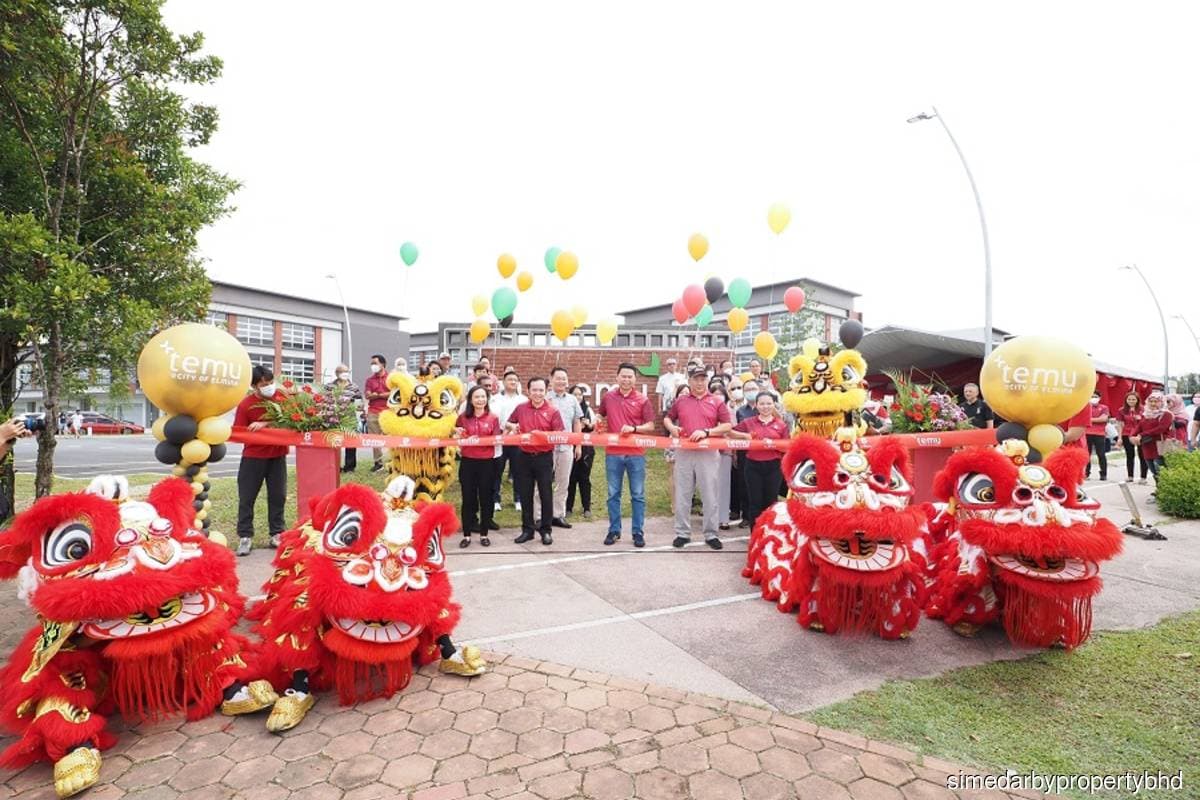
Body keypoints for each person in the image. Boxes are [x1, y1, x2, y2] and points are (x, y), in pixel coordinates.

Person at [664, 366, 732, 550]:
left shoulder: (716, 401)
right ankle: (682, 533)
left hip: (708, 452)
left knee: (710, 493)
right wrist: (672, 428)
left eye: (703, 379)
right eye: (696, 379)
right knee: (683, 493)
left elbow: (727, 425)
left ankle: (711, 534)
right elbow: (668, 418)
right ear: (690, 381)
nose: (700, 382)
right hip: (684, 451)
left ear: (707, 381)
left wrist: (707, 432)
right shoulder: (681, 401)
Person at [597, 362, 656, 547]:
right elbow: (601, 415)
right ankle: (614, 530)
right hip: (613, 453)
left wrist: (634, 428)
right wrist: (597, 422)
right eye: (623, 376)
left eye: (630, 376)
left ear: (635, 379)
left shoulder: (642, 400)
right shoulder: (608, 397)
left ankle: (638, 532)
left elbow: (651, 426)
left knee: (637, 495)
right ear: (617, 377)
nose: (626, 379)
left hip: (636, 454)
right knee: (613, 494)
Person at [233, 365, 289, 556]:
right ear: (255, 387)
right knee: (247, 498)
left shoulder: (282, 397)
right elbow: (239, 431)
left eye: (271, 382)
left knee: (278, 496)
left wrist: (265, 424)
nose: (269, 387)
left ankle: (277, 534)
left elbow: (291, 421)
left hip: (277, 456)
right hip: (253, 458)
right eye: (264, 384)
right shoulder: (246, 404)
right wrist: (253, 429)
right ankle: (245, 536)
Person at [506, 377, 563, 545]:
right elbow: (509, 422)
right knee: (525, 494)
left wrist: (544, 437)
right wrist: (512, 427)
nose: (537, 393)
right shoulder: (521, 408)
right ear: (528, 391)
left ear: (546, 391)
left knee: (546, 494)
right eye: (534, 390)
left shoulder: (553, 411)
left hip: (544, 458)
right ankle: (527, 530)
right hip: (523, 456)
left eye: (541, 390)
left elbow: (559, 434)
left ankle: (546, 530)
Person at [728, 391, 789, 528]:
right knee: (754, 502)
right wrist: (744, 436)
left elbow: (786, 447)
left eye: (769, 403)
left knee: (771, 502)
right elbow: (730, 432)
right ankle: (755, 535)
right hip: (753, 466)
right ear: (756, 405)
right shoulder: (748, 423)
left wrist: (772, 443)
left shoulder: (781, 425)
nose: (765, 406)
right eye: (762, 403)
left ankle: (770, 533)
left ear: (774, 405)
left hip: (774, 467)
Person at [455, 384, 501, 548]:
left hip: (487, 464)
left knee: (486, 499)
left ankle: (484, 534)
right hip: (468, 463)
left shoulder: (493, 418)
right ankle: (466, 535)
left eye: (483, 397)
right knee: (468, 499)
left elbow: (497, 439)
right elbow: (454, 435)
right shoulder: (462, 417)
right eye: (477, 397)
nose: (480, 400)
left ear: (487, 399)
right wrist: (456, 433)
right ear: (471, 400)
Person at [545, 366, 583, 529]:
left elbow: (577, 422)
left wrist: (578, 445)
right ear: (551, 379)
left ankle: (557, 515)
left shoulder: (572, 400)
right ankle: (539, 516)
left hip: (566, 447)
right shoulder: (545, 398)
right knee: (543, 482)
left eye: (564, 378)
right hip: (547, 448)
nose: (561, 381)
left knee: (563, 482)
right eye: (558, 378)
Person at [490, 370, 527, 513]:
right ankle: (495, 500)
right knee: (497, 471)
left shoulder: (523, 400)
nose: (512, 382)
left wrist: (515, 428)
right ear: (503, 382)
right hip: (500, 438)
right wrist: (506, 427)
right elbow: (494, 418)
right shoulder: (495, 399)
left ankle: (518, 499)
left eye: (515, 380)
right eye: (509, 379)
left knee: (518, 471)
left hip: (517, 439)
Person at [324, 364, 363, 473]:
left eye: (346, 371)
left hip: (349, 418)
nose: (345, 374)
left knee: (350, 442)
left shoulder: (354, 387)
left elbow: (359, 403)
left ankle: (349, 467)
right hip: (333, 418)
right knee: (333, 441)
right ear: (336, 373)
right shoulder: (329, 386)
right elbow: (324, 400)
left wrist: (359, 417)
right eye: (342, 371)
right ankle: (333, 465)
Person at [1130, 392, 1174, 486]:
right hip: (1147, 445)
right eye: (1151, 401)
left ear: (1162, 402)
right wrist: (1132, 436)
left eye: (1156, 401)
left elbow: (1161, 429)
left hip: (1160, 446)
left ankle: (1164, 491)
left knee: (1161, 471)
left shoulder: (1166, 414)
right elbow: (1139, 426)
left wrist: (1141, 434)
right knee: (1153, 471)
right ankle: (1159, 491)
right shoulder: (1146, 414)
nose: (1153, 404)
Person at [566, 385, 596, 521]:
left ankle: (587, 508)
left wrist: (588, 425)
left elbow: (595, 427)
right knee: (570, 479)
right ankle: (568, 508)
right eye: (575, 394)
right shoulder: (567, 408)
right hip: (569, 447)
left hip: (586, 449)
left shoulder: (588, 410)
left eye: (580, 394)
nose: (578, 397)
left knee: (584, 479)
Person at [709, 383, 735, 531]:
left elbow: (733, 430)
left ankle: (723, 518)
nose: (718, 396)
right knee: (710, 486)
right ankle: (711, 517)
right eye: (715, 393)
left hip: (725, 452)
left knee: (724, 486)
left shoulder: (730, 411)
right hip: (708, 451)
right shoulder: (706, 409)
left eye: (721, 394)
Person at [666, 384, 691, 517]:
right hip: (674, 442)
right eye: (682, 392)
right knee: (674, 474)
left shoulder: (694, 405)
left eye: (687, 392)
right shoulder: (674, 406)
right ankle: (674, 504)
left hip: (691, 443)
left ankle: (687, 504)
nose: (684, 394)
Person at [363, 354, 390, 472]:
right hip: (373, 412)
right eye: (371, 364)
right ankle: (378, 463)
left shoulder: (391, 378)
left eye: (375, 363)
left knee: (390, 439)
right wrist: (380, 395)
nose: (373, 366)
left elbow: (394, 393)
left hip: (388, 412)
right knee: (375, 439)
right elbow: (367, 395)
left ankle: (392, 463)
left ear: (383, 364)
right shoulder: (370, 380)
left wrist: (378, 395)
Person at [1116, 391, 1149, 483]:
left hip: (1140, 434)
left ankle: (1143, 477)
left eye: (1133, 399)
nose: (1131, 401)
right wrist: (1119, 437)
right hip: (1127, 434)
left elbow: (1147, 422)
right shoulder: (1121, 410)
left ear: (1137, 400)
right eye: (1129, 399)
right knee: (1130, 455)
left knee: (1142, 455)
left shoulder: (1143, 409)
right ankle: (1130, 476)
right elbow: (1120, 424)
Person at [1084, 391, 1110, 481]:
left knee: (1101, 454)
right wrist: (1096, 419)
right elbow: (1082, 419)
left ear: (1099, 398)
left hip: (1100, 434)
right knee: (1087, 454)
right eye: (1091, 396)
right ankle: (1086, 473)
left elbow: (1103, 419)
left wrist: (1089, 419)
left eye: (1095, 396)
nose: (1093, 398)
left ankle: (1103, 474)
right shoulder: (1085, 407)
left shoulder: (1104, 407)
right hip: (1086, 433)